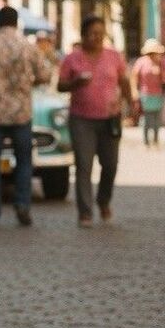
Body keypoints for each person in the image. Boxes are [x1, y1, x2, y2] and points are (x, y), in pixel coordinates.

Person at [0, 6, 50, 227]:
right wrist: (25, 81)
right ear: (16, 22)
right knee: (24, 162)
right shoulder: (28, 46)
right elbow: (44, 75)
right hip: (21, 112)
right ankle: (22, 203)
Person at [57, 15, 133, 227]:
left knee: (110, 165)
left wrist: (131, 103)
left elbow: (124, 81)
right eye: (92, 34)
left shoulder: (114, 56)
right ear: (83, 36)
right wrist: (75, 82)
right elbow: (61, 86)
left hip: (110, 118)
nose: (96, 38)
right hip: (81, 119)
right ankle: (85, 211)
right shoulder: (72, 58)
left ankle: (104, 200)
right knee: (84, 165)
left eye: (100, 33)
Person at [131, 38, 165, 146]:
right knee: (147, 118)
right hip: (145, 94)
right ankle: (146, 141)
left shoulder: (161, 63)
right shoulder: (141, 62)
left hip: (158, 94)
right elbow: (134, 77)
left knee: (156, 119)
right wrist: (134, 91)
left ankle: (155, 140)